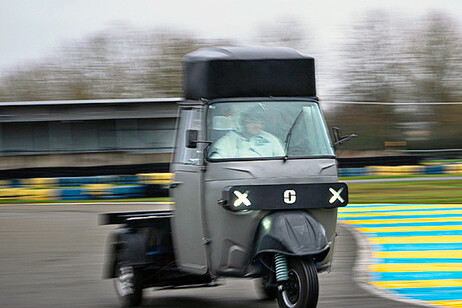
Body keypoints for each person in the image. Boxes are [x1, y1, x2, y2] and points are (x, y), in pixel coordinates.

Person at [210, 107, 284, 158]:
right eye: (252, 122)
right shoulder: (227, 141)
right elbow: (216, 162)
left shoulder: (271, 139)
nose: (257, 125)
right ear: (242, 122)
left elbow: (282, 160)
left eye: (260, 122)